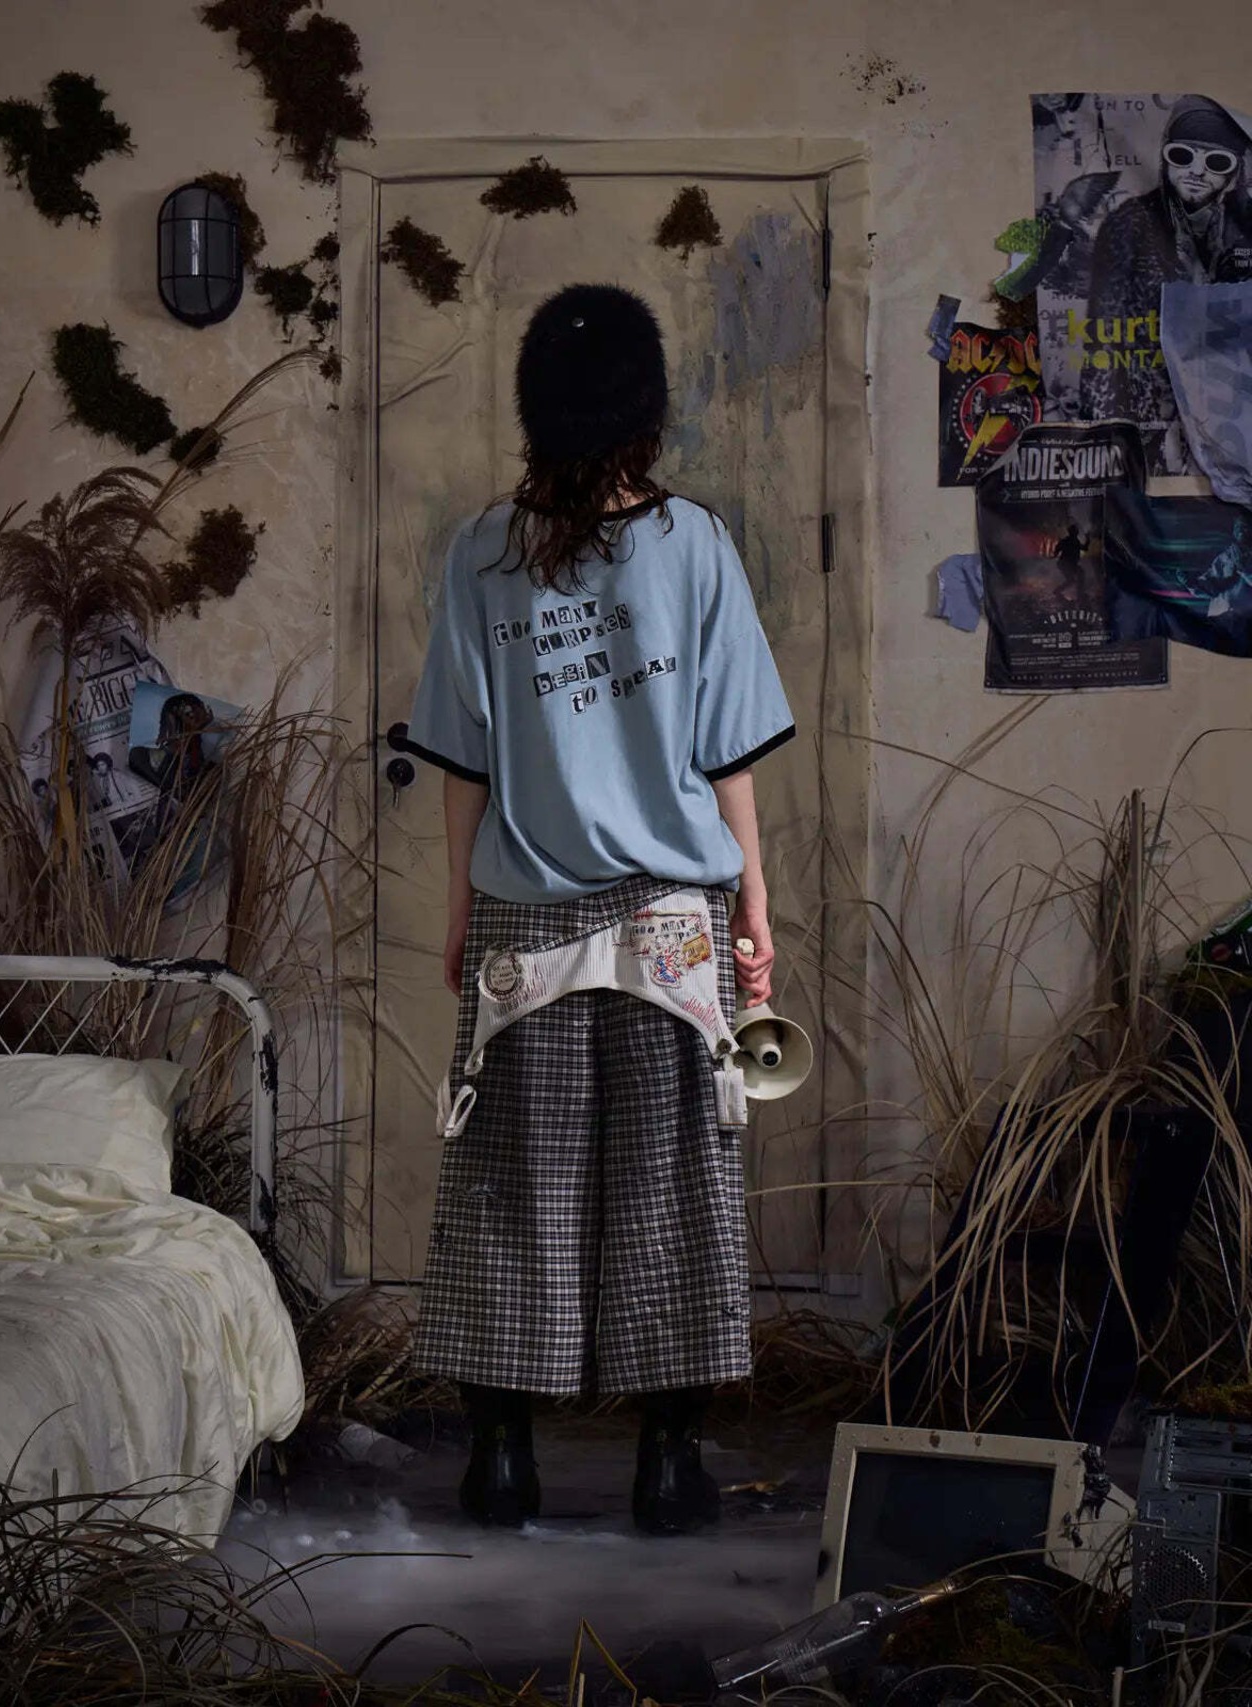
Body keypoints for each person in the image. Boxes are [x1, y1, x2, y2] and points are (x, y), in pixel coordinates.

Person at [403, 284, 795, 1536]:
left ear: (537, 412)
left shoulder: (481, 552)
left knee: (510, 1184)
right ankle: (667, 1468)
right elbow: (728, 755)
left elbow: (463, 763)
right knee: (676, 1185)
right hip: (676, 911)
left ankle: (499, 1463)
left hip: (523, 910)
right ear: (642, 411)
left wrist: (459, 909)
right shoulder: (696, 545)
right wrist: (752, 903)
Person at [1080, 96, 1252, 461]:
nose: (1197, 171)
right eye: (1183, 156)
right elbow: (1103, 336)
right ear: (1165, 158)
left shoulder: (1246, 228)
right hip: (1150, 413)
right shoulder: (1127, 225)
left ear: (1234, 171)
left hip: (1231, 416)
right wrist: (1106, 439)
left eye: (1216, 161)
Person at [1053, 522, 1091, 603]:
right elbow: (1085, 548)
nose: (1076, 533)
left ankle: (1058, 591)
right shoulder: (1071, 541)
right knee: (1078, 576)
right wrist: (1088, 539)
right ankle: (1079, 595)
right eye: (1075, 531)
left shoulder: (1071, 541)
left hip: (1067, 564)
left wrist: (1088, 539)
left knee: (1073, 578)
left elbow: (1084, 548)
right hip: (1066, 564)